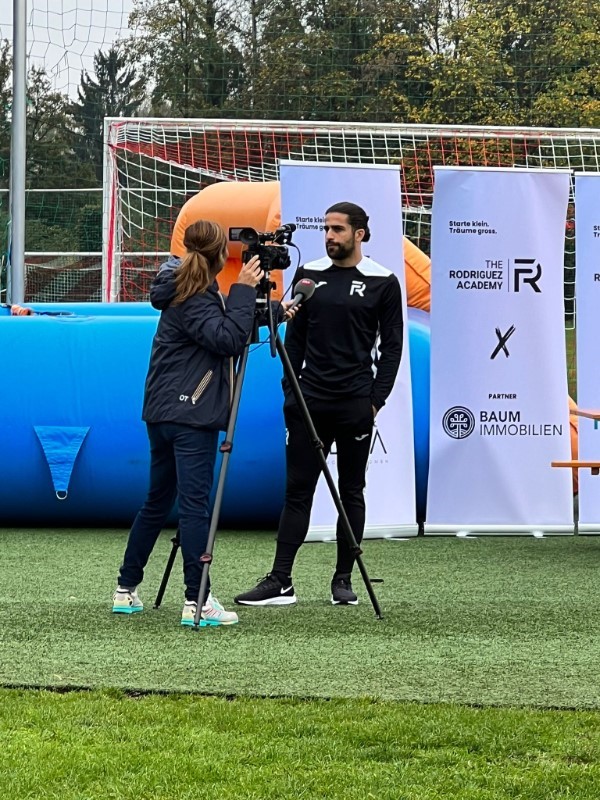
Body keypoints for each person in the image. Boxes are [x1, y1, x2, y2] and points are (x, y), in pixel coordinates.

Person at [234, 201, 404, 608]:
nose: (329, 236)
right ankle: (281, 580)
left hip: (355, 404)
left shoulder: (383, 281)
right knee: (298, 490)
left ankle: (343, 579)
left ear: (359, 233)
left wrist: (375, 401)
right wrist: (291, 394)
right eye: (326, 228)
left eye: (338, 229)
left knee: (351, 490)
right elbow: (294, 340)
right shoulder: (308, 274)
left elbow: (393, 348)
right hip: (308, 401)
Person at [113, 219, 268, 627]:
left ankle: (126, 588)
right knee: (194, 506)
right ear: (220, 255)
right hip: (191, 412)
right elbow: (226, 340)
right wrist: (244, 289)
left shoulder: (180, 287)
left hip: (164, 411)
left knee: (157, 500)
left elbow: (220, 329)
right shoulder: (197, 293)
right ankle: (197, 600)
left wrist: (269, 312)